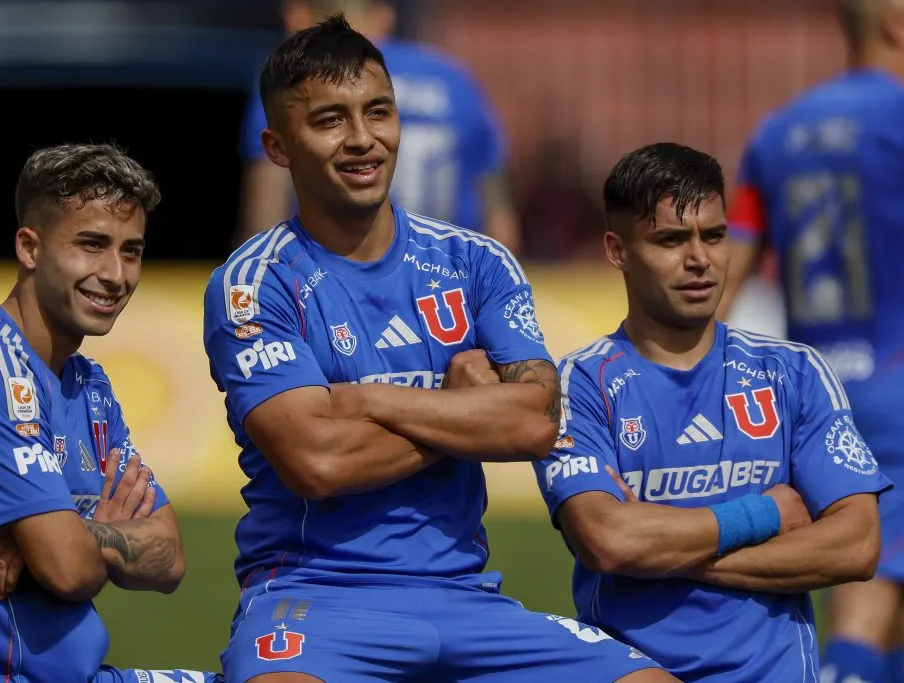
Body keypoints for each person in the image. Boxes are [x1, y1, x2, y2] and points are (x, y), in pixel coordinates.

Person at [204, 16, 676, 683]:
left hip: (467, 597)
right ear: (278, 147)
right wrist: (464, 415)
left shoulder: (475, 262)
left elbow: (537, 420)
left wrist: (372, 401)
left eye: (379, 112)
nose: (364, 139)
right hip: (314, 598)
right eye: (331, 120)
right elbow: (318, 461)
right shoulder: (253, 284)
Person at [532, 142, 891, 682]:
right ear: (617, 249)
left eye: (715, 236)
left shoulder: (792, 373)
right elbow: (610, 540)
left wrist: (671, 554)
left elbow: (857, 546)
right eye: (671, 239)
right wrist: (766, 516)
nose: (700, 258)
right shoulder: (579, 385)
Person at [0, 143, 218, 683]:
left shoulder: (89, 383)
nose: (115, 274)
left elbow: (171, 558)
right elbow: (69, 571)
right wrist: (78, 542)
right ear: (29, 248)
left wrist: (73, 530)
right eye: (91, 245)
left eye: (131, 251)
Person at [718, 1, 904, 680]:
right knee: (871, 597)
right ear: (895, 24)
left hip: (818, 398)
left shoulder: (777, 133)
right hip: (898, 390)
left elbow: (725, 274)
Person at [236, 0, 521, 254]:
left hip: (337, 279)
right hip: (447, 283)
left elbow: (265, 212)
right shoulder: (455, 80)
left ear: (295, 18)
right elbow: (500, 221)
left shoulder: (294, 84)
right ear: (384, 17)